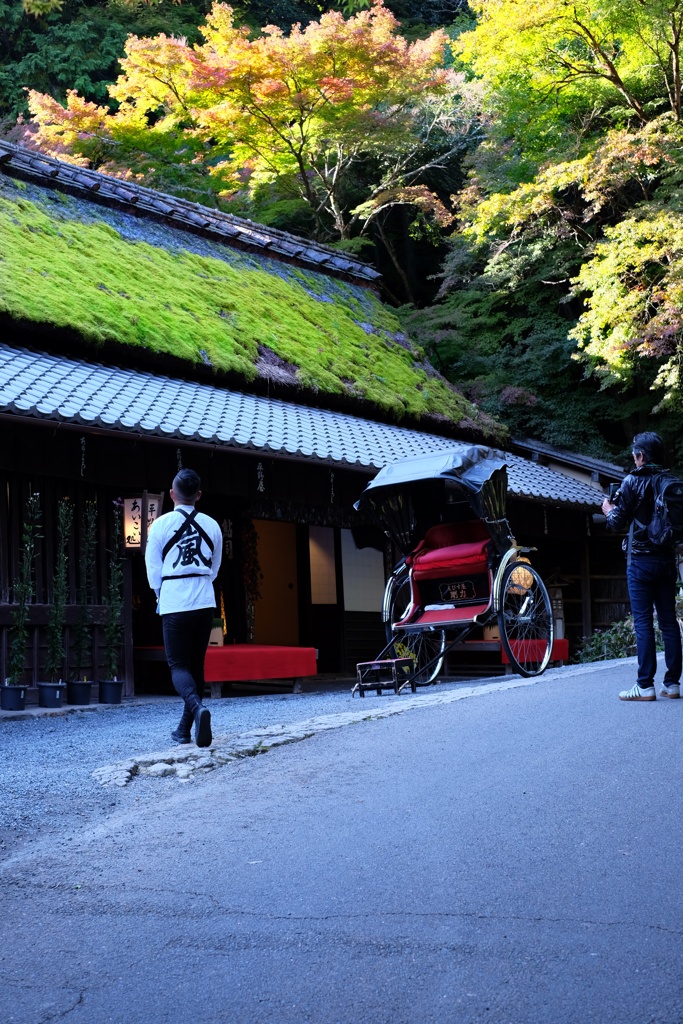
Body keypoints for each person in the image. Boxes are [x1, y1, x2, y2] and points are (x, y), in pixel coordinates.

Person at [602, 432, 682, 701]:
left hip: (640, 561)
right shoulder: (670, 481)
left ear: (641, 456)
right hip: (667, 559)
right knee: (669, 622)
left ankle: (645, 685)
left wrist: (606, 509)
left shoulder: (632, 481)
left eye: (634, 454)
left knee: (644, 622)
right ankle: (672, 684)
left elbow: (616, 522)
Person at [145, 469, 223, 745]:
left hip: (174, 600)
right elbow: (214, 568)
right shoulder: (212, 525)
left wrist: (161, 594)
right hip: (204, 600)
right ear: (198, 495)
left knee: (178, 666)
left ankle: (198, 708)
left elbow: (153, 571)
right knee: (195, 666)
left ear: (171, 494)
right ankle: (184, 729)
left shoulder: (160, 525)